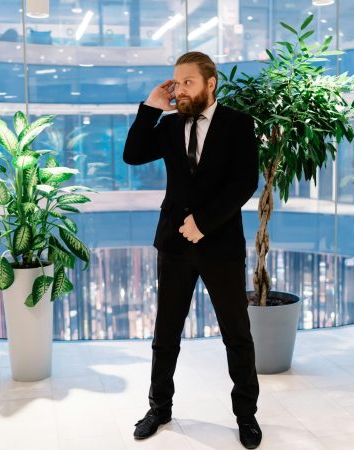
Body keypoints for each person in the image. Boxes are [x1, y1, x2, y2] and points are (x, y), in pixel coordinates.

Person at [123, 51, 261, 449]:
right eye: (175, 83)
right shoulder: (167, 125)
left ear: (210, 82)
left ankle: (246, 416)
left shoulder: (237, 123)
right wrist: (151, 107)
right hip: (173, 245)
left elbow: (244, 183)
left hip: (220, 244)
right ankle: (159, 408)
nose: (180, 90)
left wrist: (203, 222)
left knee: (237, 335)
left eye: (188, 82)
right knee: (165, 333)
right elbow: (133, 154)